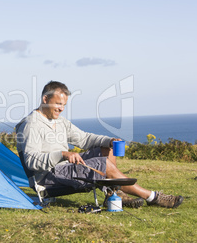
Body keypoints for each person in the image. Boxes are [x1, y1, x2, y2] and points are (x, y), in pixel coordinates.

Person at [16, 81, 183, 208]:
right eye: (58, 104)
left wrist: (109, 141)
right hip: (48, 176)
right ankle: (153, 197)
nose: (61, 109)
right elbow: (32, 161)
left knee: (106, 149)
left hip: (65, 167)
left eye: (64, 105)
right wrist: (62, 154)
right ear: (45, 99)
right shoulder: (31, 125)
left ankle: (114, 193)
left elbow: (84, 139)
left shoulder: (60, 122)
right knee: (103, 165)